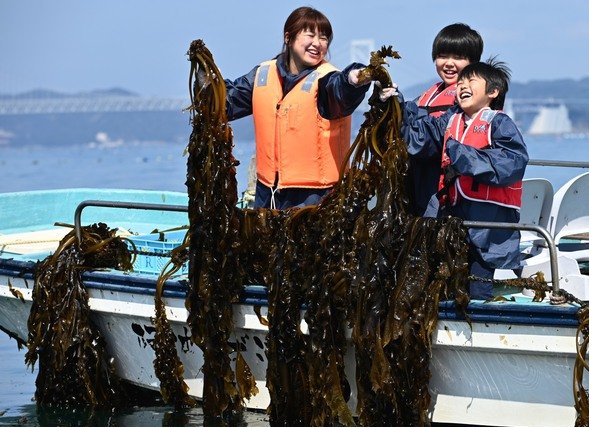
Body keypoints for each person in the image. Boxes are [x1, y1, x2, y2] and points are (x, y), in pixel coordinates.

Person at [395, 59, 528, 300]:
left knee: (478, 285)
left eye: (471, 81)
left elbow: (513, 162)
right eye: (461, 82)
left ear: (492, 92)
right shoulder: (450, 120)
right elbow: (419, 138)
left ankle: (481, 323)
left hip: (487, 223)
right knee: (447, 281)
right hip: (453, 218)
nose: (462, 85)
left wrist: (461, 154)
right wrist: (396, 106)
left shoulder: (498, 123)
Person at [217, 6, 373, 209]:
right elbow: (226, 105)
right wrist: (211, 85)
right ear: (288, 38)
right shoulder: (263, 74)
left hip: (315, 198)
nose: (317, 43)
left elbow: (340, 93)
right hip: (267, 193)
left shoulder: (327, 79)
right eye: (310, 35)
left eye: (324, 38)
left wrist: (354, 79)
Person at [408, 23, 483, 217]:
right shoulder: (429, 94)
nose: (449, 63)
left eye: (458, 57)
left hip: (445, 189)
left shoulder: (470, 98)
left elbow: (431, 139)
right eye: (442, 56)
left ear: (473, 62)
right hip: (419, 183)